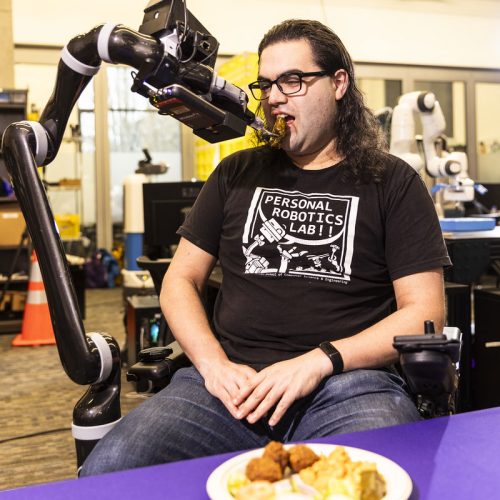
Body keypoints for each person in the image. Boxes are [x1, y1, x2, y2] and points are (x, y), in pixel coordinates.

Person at [81, 19, 451, 476]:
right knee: (111, 469)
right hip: (228, 387)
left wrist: (321, 361)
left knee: (379, 478)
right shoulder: (236, 173)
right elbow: (180, 279)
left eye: (293, 81)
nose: (274, 96)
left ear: (338, 84)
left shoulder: (392, 182)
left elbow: (425, 312)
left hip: (350, 386)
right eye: (266, 84)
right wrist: (214, 366)